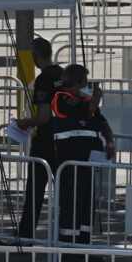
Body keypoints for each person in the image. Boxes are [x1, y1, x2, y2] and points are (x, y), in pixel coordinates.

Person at [47, 64, 113, 247]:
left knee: (86, 205)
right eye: (85, 82)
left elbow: (101, 122)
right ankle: (68, 248)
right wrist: (94, 100)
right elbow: (83, 112)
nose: (87, 86)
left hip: (88, 161)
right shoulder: (60, 98)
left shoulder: (85, 100)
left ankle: (84, 246)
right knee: (71, 204)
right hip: (69, 161)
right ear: (76, 82)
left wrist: (109, 141)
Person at [14, 36, 65, 239]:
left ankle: (25, 236)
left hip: (44, 143)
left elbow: (44, 117)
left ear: (35, 57)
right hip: (63, 142)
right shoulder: (63, 74)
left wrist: (24, 123)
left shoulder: (43, 80)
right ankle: (65, 234)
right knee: (65, 191)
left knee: (34, 193)